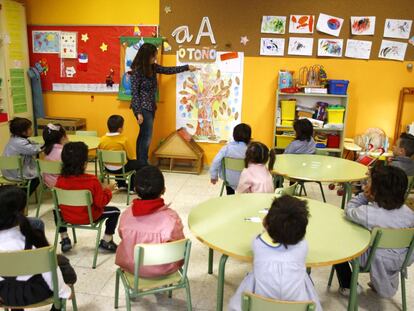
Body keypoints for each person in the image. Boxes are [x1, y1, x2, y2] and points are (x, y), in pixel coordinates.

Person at [228, 195, 322, 311]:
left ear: (267, 223)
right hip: (298, 305)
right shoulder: (303, 247)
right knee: (305, 278)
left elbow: (264, 236)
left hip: (259, 305)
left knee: (251, 276)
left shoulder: (257, 243)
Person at [334, 165, 414, 298]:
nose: (366, 184)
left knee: (336, 242)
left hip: (374, 259)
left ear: (377, 190)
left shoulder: (367, 213)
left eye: (368, 182)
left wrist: (363, 196)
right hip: (402, 259)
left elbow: (349, 210)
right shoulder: (409, 213)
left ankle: (347, 285)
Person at [0, 185, 76, 310]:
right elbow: (51, 274)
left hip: (5, 295)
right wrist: (65, 292)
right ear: (22, 211)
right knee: (63, 265)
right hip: (33, 293)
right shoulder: (32, 240)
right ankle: (57, 307)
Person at [130, 43, 197, 167]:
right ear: (146, 57)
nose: (155, 58)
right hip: (142, 107)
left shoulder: (152, 67)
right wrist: (138, 112)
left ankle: (141, 161)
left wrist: (187, 67)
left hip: (150, 106)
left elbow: (168, 70)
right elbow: (134, 94)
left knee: (143, 134)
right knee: (147, 136)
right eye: (153, 56)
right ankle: (143, 163)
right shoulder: (136, 72)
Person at [115, 165, 185, 277]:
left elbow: (121, 235)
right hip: (163, 270)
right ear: (164, 190)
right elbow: (179, 247)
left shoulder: (126, 215)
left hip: (131, 268)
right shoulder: (171, 219)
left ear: (135, 190)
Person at [54, 142, 120, 253]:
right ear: (84, 164)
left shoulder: (60, 180)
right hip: (89, 216)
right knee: (115, 211)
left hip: (67, 216)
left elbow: (59, 201)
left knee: (56, 211)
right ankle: (107, 241)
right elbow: (101, 202)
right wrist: (108, 190)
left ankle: (64, 238)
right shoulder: (92, 180)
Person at [98, 115, 141, 191]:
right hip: (121, 169)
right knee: (137, 164)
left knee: (117, 161)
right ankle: (131, 188)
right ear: (120, 129)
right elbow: (131, 156)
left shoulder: (102, 139)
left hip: (107, 168)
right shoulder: (124, 140)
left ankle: (121, 184)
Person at [1, 117, 42, 196]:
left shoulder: (14, 139)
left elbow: (32, 144)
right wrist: (45, 146)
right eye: (29, 128)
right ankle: (23, 195)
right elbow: (34, 150)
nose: (31, 129)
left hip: (7, 171)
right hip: (15, 173)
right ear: (23, 132)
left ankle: (18, 192)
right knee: (39, 176)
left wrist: (38, 145)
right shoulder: (21, 143)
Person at [209, 123, 252, 195]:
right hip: (245, 182)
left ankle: (230, 197)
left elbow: (215, 162)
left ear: (234, 135)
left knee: (229, 182)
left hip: (229, 180)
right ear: (249, 137)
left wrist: (214, 176)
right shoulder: (250, 150)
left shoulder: (226, 148)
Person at [42, 124, 68, 188]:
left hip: (48, 182)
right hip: (61, 183)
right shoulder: (64, 152)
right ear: (62, 137)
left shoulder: (45, 150)